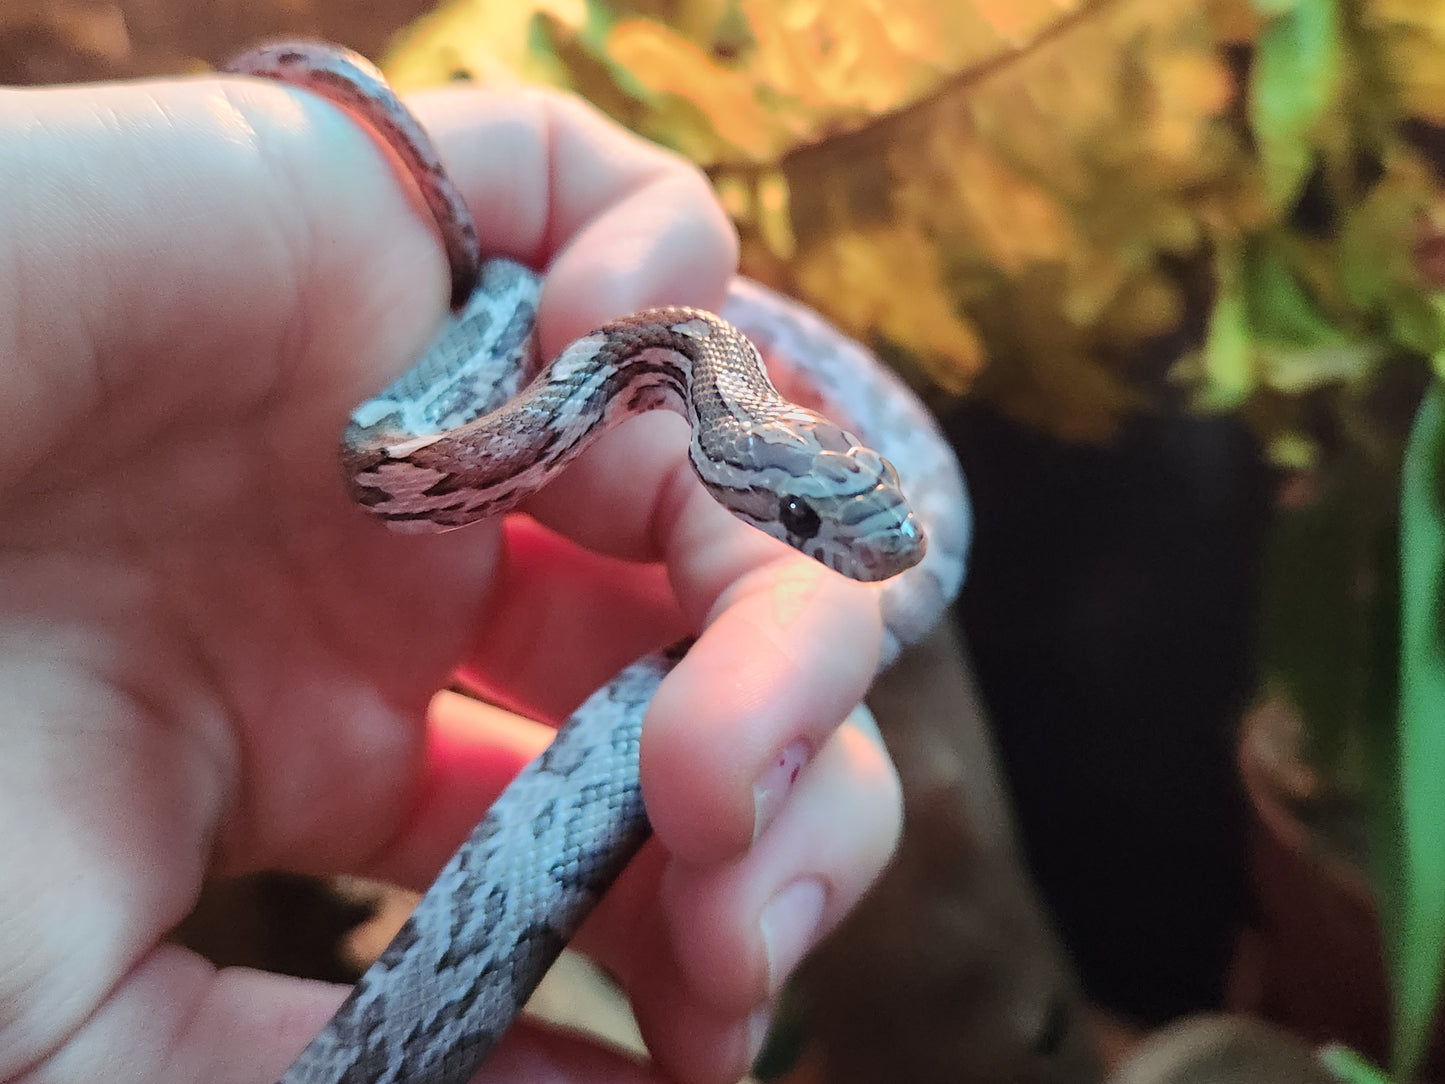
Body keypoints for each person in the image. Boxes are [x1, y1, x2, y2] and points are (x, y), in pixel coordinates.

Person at [0, 65, 903, 1084]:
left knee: (751, 695)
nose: (839, 547)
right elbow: (402, 463)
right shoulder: (596, 370)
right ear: (731, 453)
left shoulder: (665, 370)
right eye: (798, 519)